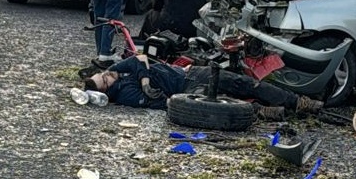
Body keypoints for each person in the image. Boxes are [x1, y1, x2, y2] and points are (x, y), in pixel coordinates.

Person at [79, 53, 321, 117]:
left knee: (246, 83)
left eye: (105, 74)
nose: (108, 75)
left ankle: (299, 103)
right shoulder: (126, 95)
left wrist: (143, 78)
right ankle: (267, 112)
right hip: (186, 89)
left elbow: (139, 58)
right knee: (225, 103)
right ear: (106, 92)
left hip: (192, 72)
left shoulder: (118, 71)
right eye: (106, 80)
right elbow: (162, 102)